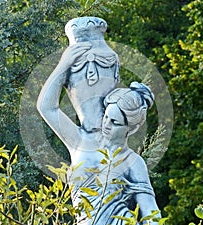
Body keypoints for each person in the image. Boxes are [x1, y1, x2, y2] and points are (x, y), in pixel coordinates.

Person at [37, 42, 160, 225]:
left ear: (132, 128)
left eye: (115, 122)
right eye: (107, 117)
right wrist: (64, 65)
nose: (107, 125)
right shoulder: (80, 141)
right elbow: (46, 108)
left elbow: (152, 215)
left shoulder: (133, 162)